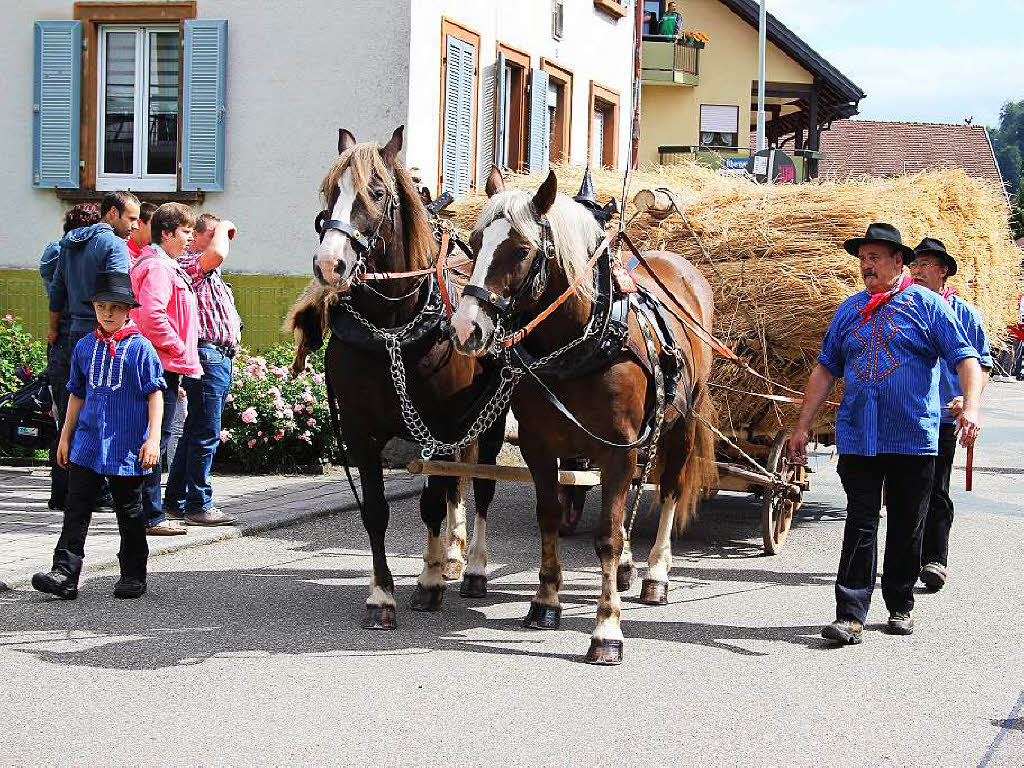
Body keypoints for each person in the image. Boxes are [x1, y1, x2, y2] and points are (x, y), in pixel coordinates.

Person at [789, 223, 984, 645]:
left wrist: (970, 406)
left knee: (906, 525)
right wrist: (802, 425)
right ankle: (850, 614)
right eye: (862, 258)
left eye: (875, 257)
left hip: (913, 437)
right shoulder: (850, 310)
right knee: (860, 521)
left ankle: (899, 602)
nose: (867, 266)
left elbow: (966, 358)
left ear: (900, 262)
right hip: (859, 435)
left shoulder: (927, 306)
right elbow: (826, 367)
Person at [31, 271, 165, 600]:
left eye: (115, 307)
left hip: (126, 446)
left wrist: (152, 439)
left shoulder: (141, 349)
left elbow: (155, 394)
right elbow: (76, 394)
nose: (107, 313)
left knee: (129, 510)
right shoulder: (85, 347)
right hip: (87, 444)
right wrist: (66, 438)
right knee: (76, 508)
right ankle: (65, 573)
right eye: (101, 306)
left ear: (128, 310)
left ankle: (133, 574)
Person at [910, 239, 991, 591]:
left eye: (926, 264)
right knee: (908, 490)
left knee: (936, 487)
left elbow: (982, 364)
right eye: (915, 264)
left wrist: (968, 399)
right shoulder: (904, 308)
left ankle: (934, 559)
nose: (918, 270)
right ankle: (906, 556)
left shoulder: (965, 314)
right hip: (909, 415)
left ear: (943, 271)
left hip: (943, 416)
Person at [163, 213, 241, 526]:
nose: (223, 238)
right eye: (214, 232)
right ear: (197, 236)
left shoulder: (209, 271)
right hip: (208, 356)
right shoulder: (190, 263)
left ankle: (176, 500)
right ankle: (199, 504)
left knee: (196, 431)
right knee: (205, 433)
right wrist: (223, 225)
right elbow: (218, 252)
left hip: (217, 356)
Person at [130, 203, 202, 536]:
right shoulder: (159, 267)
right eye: (186, 231)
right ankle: (151, 515)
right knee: (155, 438)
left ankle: (149, 512)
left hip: (165, 364)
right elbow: (151, 315)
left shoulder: (163, 264)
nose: (190, 238)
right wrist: (176, 347)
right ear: (166, 232)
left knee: (154, 436)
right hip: (160, 363)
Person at [40, 203, 101, 510]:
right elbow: (58, 294)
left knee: (66, 417)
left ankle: (62, 493)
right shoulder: (66, 253)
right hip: (71, 335)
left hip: (61, 338)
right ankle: (72, 493)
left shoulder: (55, 251)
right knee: (73, 417)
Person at [127, 201, 159, 265]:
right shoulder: (121, 249)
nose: (158, 229)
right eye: (154, 225)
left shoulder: (152, 253)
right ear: (138, 223)